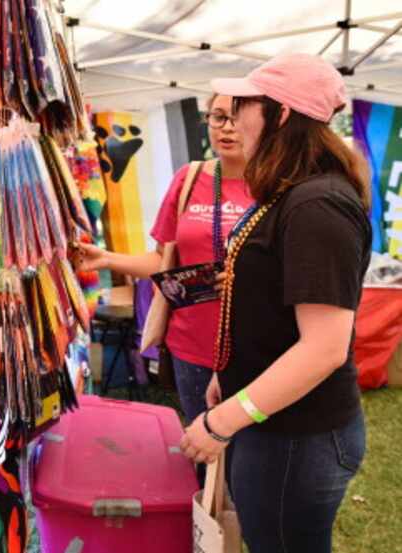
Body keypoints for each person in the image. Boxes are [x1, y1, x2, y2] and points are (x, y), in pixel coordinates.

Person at [179, 53, 371, 553]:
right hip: (276, 424)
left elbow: (324, 348)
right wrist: (234, 373)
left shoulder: (317, 204)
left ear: (281, 115)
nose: (232, 117)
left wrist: (223, 422)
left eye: (242, 105)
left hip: (297, 436)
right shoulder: (293, 193)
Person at [76, 94, 254, 426]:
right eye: (217, 117)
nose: (226, 129)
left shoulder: (278, 184)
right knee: (203, 450)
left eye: (237, 118)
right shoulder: (189, 179)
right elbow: (164, 261)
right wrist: (106, 259)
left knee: (251, 463)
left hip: (253, 350)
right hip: (191, 346)